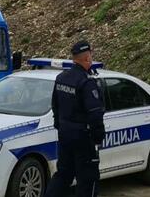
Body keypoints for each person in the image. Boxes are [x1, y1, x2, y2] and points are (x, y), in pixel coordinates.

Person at [45, 41, 105, 197]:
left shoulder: (62, 78)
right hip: (83, 139)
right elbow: (95, 114)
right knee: (88, 179)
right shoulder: (86, 82)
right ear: (87, 58)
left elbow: (55, 106)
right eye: (91, 54)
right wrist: (98, 137)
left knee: (63, 175)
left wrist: (60, 126)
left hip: (65, 136)